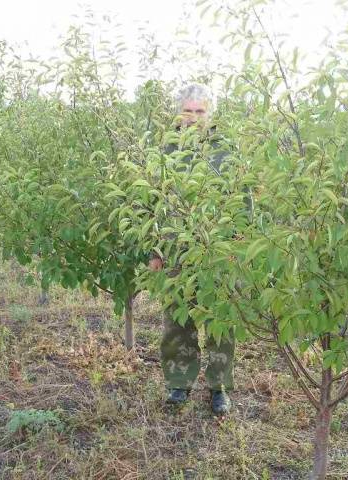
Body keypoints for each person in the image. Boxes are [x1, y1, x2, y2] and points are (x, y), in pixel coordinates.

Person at [149, 83, 235, 415]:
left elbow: (242, 196)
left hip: (215, 249)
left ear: (208, 114)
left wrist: (236, 243)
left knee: (219, 320)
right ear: (178, 113)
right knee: (177, 320)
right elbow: (152, 203)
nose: (195, 117)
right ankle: (179, 383)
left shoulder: (223, 147)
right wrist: (154, 250)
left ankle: (219, 387)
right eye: (188, 110)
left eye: (200, 111)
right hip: (175, 249)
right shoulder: (164, 149)